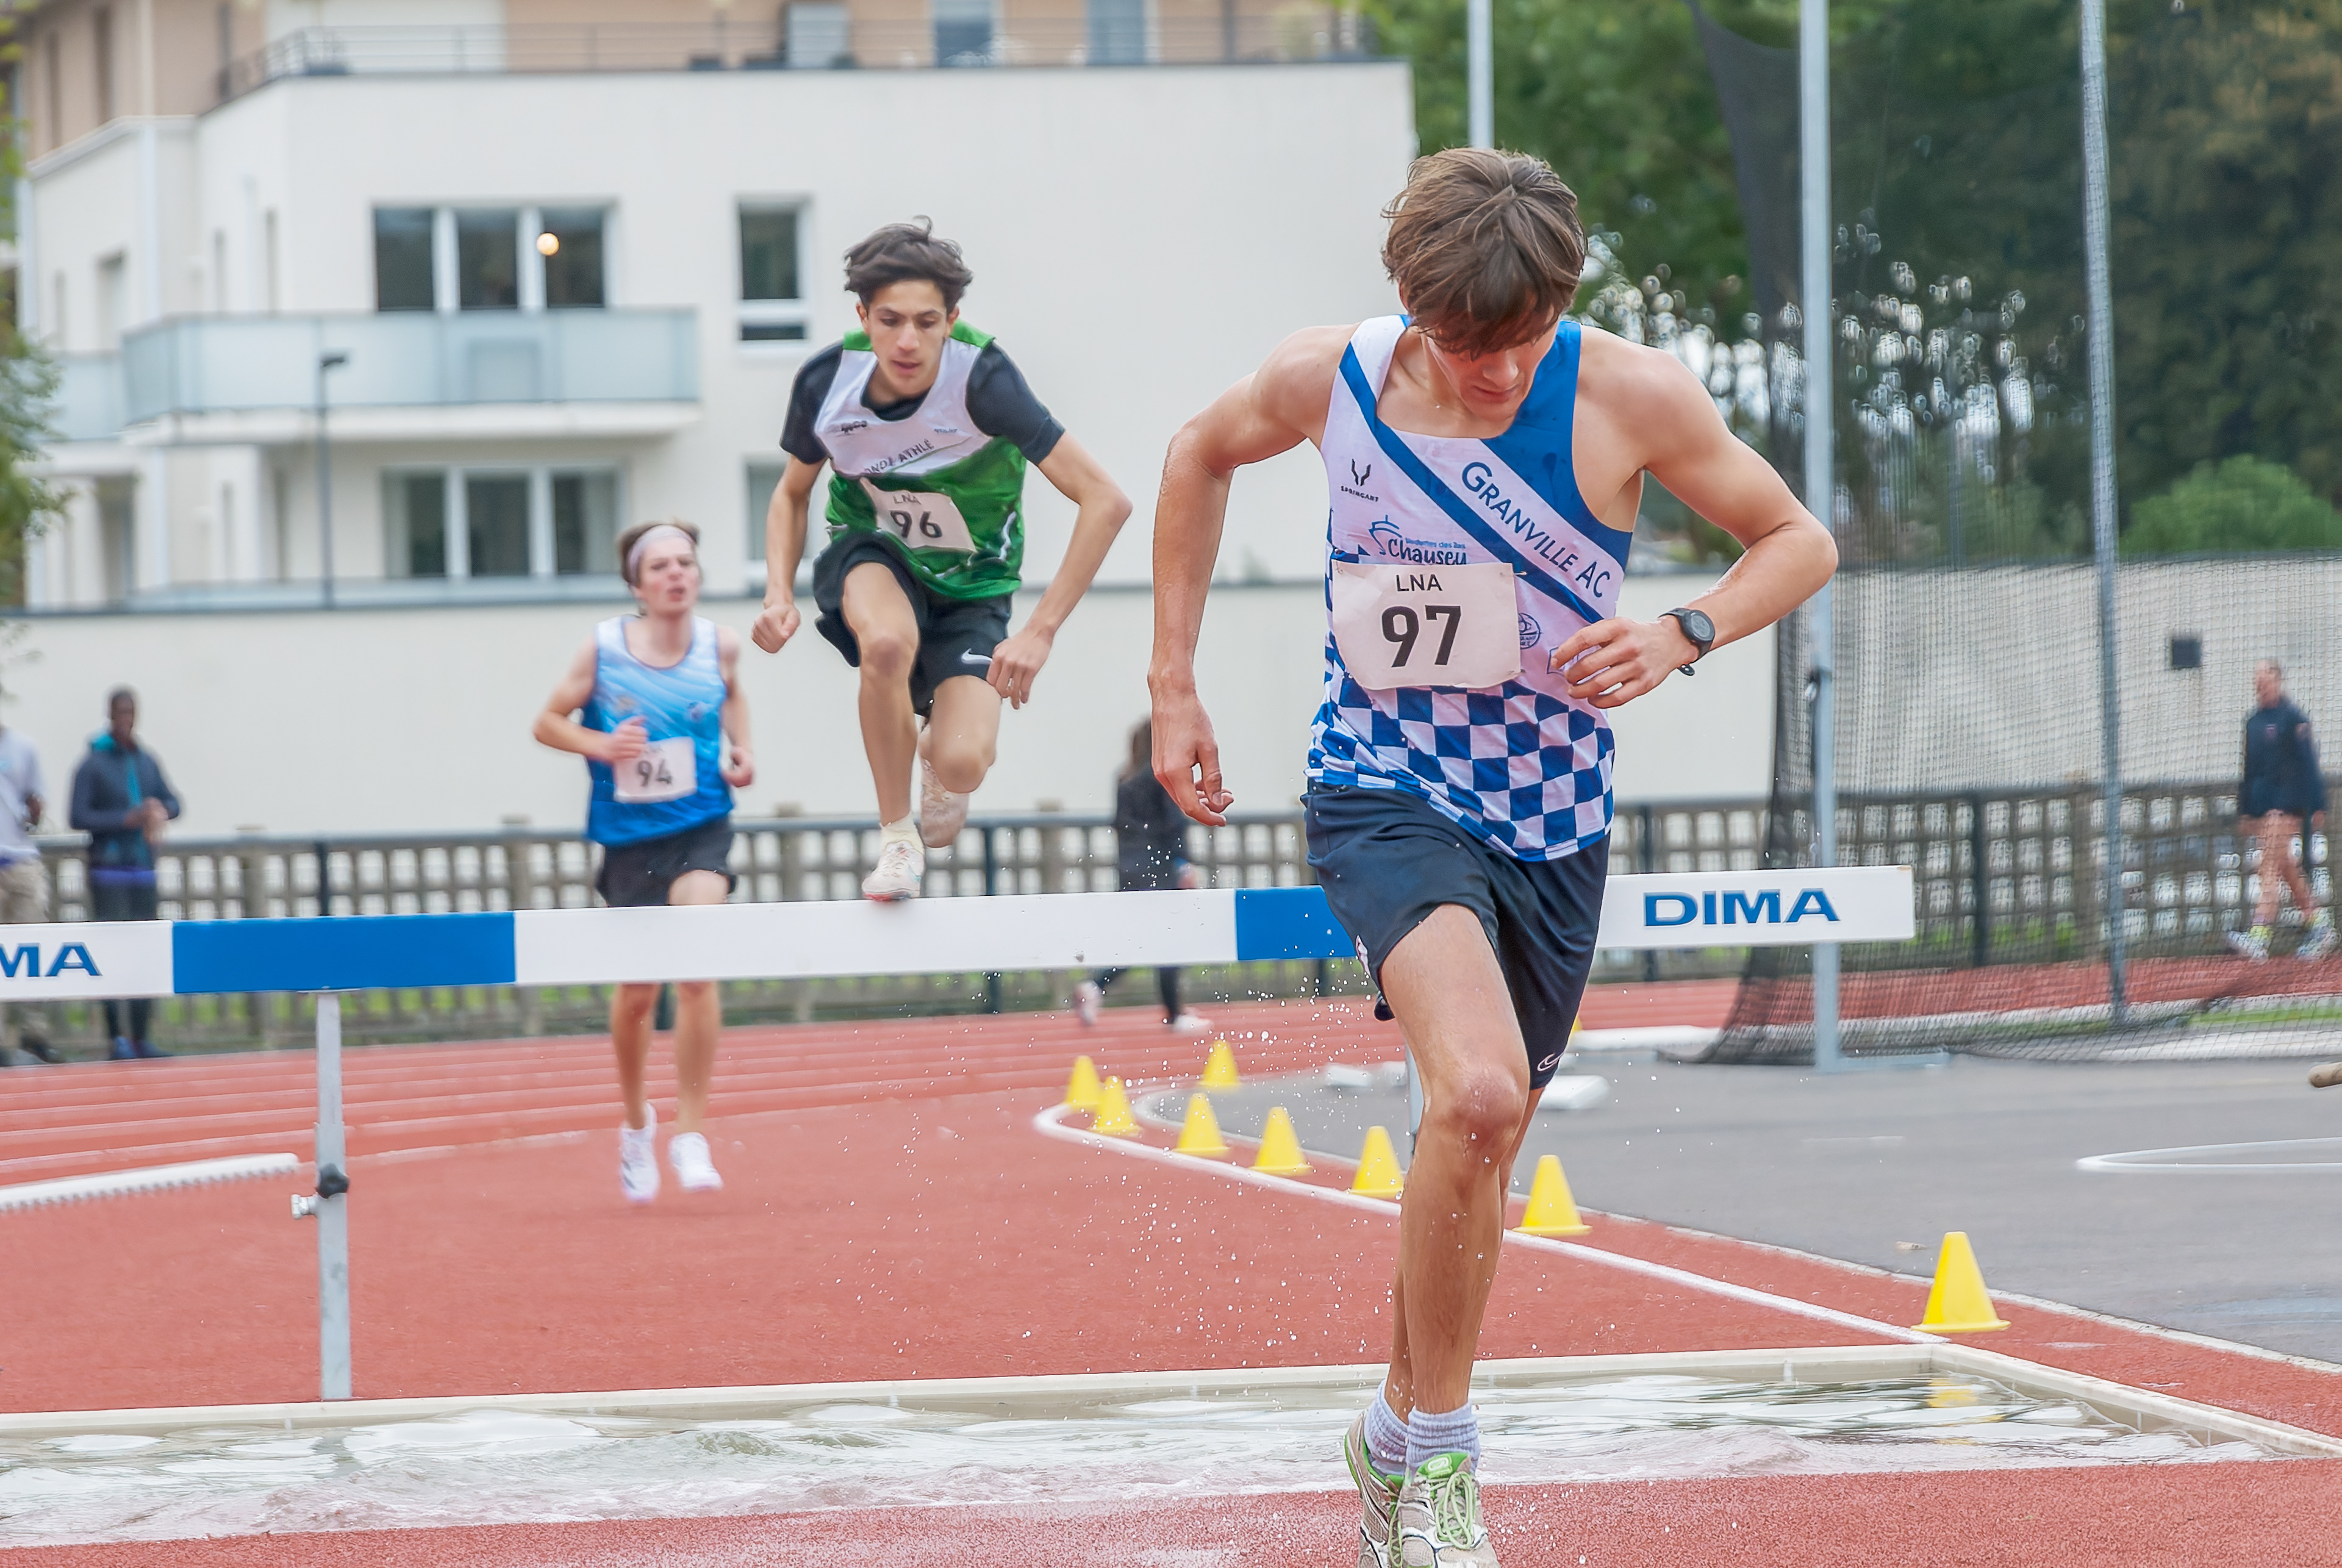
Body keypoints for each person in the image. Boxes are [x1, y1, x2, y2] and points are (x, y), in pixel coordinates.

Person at [1148, 148, 1836, 1566]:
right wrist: (1173, 683)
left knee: (1480, 1136)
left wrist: (1684, 630)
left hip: (1552, 818)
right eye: (1471, 349)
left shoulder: (1632, 394)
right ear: (1413, 311)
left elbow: (1796, 537)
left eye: (1526, 340)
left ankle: (1392, 1435)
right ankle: (1450, 1465)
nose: (1501, 374)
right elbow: (1193, 454)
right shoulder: (1328, 380)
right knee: (1473, 1088)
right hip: (1382, 789)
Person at [751, 220, 1131, 901]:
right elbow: (791, 493)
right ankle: (897, 840)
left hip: (974, 583)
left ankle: (936, 759)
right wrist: (778, 591)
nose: (907, 342)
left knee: (964, 763)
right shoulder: (827, 383)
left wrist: (1039, 631)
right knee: (886, 645)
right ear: (862, 316)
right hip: (874, 550)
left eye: (927, 323)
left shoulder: (984, 380)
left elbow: (1106, 500)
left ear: (951, 321)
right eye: (890, 321)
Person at [532, 519, 754, 1203]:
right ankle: (636, 1125)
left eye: (685, 562)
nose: (676, 574)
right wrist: (601, 746)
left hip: (702, 825)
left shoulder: (719, 645)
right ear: (637, 586)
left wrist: (741, 750)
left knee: (695, 966)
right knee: (638, 994)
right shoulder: (603, 650)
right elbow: (547, 722)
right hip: (629, 838)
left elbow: (733, 697)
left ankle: (691, 1133)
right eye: (660, 566)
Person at [1073, 718, 1209, 1032]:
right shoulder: (1164, 776)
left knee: (1141, 938)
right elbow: (1173, 824)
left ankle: (1096, 986)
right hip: (1160, 865)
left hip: (1131, 867)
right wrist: (1184, 863)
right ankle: (1174, 1013)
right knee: (1168, 937)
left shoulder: (1124, 778)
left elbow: (1121, 825)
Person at [70, 688, 183, 1060]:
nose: (126, 719)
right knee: (110, 953)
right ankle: (115, 1037)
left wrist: (158, 809)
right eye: (120, 712)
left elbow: (175, 802)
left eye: (131, 712)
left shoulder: (145, 760)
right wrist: (125, 819)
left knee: (144, 953)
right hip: (108, 872)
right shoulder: (93, 763)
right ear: (110, 714)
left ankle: (140, 1036)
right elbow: (78, 816)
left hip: (143, 869)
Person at [2227, 659, 2332, 962]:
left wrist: (2317, 804)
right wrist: (2245, 810)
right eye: (2257, 679)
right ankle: (2320, 925)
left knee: (2268, 867)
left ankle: (2260, 934)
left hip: (2287, 807)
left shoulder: (2293, 718)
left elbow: (2308, 763)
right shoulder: (2253, 722)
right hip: (2262, 808)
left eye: (2266, 677)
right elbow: (2249, 769)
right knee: (2285, 866)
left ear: (2277, 680)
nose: (2260, 683)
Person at [0, 706, 60, 1064]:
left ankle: (35, 1033)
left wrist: (36, 811)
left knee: (33, 944)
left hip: (20, 858)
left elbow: (36, 809)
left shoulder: (23, 747)